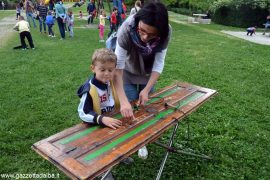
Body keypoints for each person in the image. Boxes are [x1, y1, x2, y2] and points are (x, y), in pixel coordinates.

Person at [113, 2, 171, 159]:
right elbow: (117, 69)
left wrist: (146, 89)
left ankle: (143, 137)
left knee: (145, 106)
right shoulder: (126, 28)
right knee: (129, 108)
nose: (145, 38)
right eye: (142, 31)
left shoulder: (166, 32)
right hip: (127, 72)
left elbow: (159, 64)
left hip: (148, 75)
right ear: (137, 22)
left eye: (152, 35)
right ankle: (137, 142)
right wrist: (123, 100)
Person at [77, 48, 122, 130]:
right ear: (93, 68)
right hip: (96, 125)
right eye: (102, 70)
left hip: (113, 118)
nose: (107, 73)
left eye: (110, 70)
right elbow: (83, 113)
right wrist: (101, 119)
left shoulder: (113, 83)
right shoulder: (89, 88)